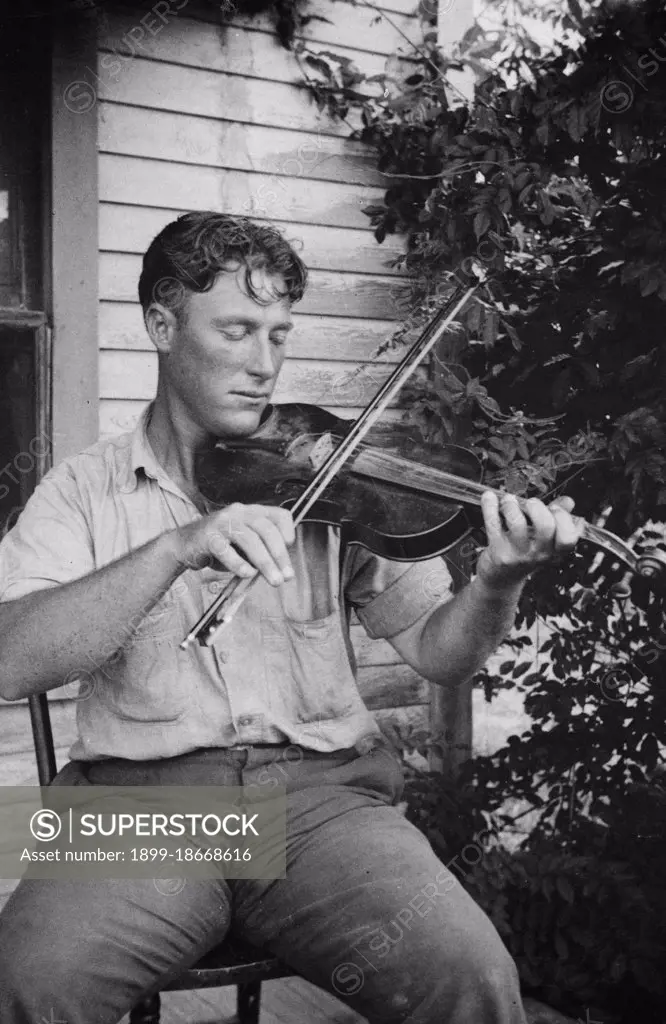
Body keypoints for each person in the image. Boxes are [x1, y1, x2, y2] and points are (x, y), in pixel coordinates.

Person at [0, 212, 583, 1024]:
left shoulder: (328, 472)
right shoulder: (80, 491)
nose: (265, 364)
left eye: (280, 334)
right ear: (162, 326)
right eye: (237, 330)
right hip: (137, 807)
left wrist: (496, 585)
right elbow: (9, 661)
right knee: (26, 986)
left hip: (322, 804)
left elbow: (438, 652)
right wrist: (175, 548)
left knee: (470, 976)